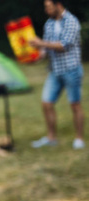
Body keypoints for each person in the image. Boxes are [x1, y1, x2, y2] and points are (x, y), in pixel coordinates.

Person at [30, 0, 85, 149]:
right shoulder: (48, 23)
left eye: (49, 6)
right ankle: (51, 138)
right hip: (54, 71)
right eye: (45, 7)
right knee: (46, 104)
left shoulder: (71, 21)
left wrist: (41, 43)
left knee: (75, 105)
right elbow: (46, 48)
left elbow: (63, 45)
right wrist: (35, 56)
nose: (46, 10)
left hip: (71, 69)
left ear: (58, 5)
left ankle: (79, 139)